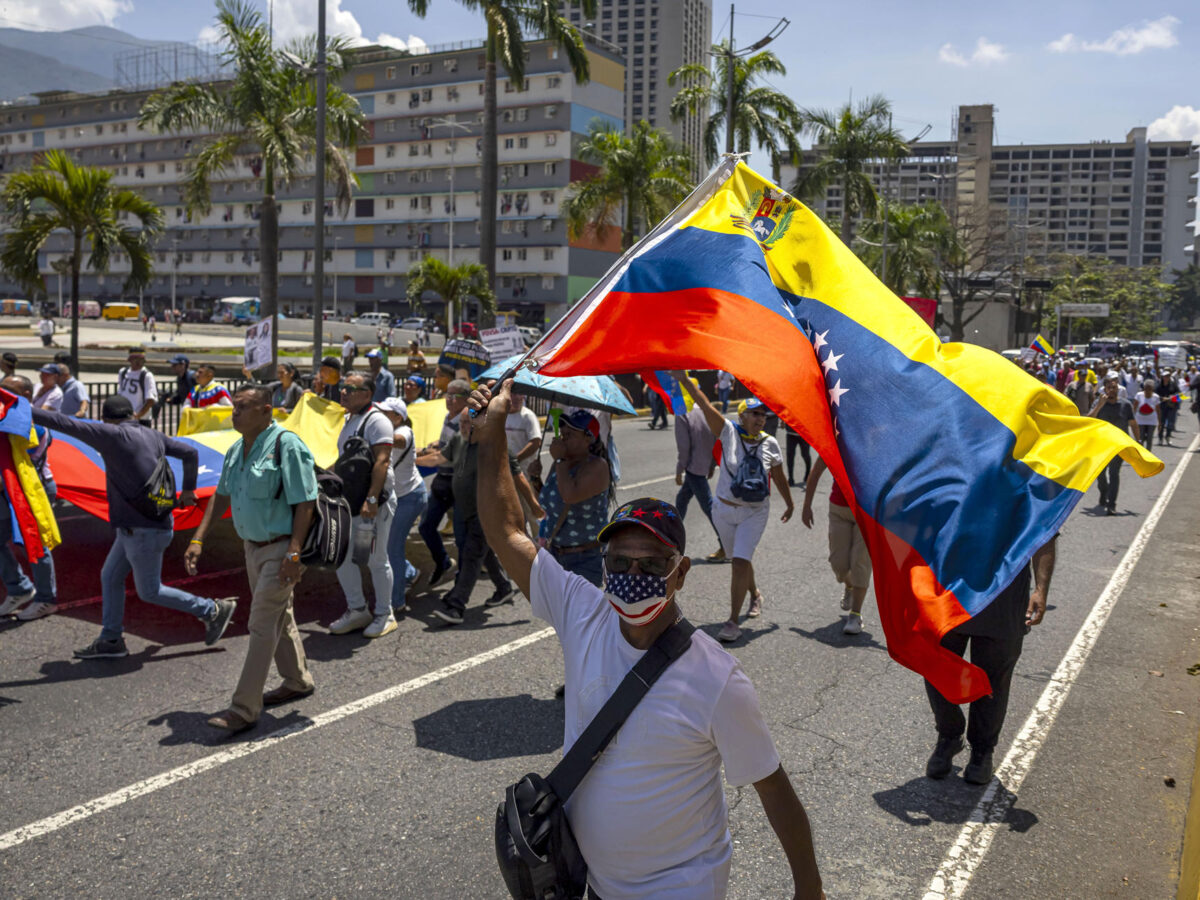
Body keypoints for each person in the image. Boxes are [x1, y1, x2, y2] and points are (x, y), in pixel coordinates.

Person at [469, 379, 825, 900]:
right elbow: (505, 530)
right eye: (619, 562)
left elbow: (772, 786)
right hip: (593, 884)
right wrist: (493, 430)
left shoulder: (718, 681)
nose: (632, 573)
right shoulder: (582, 610)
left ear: (679, 574)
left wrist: (809, 891)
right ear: (604, 565)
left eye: (651, 563)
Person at [32, 395, 237, 658]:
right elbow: (190, 452)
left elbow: (60, 422)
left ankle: (211, 609)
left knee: (150, 591)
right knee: (110, 576)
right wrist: (188, 489)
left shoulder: (112, 435)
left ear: (107, 419)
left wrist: (14, 404)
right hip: (141, 526)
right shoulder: (151, 435)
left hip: (143, 530)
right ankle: (111, 639)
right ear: (132, 414)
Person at [184, 385, 318, 734]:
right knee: (280, 616)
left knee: (260, 624)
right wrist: (198, 537)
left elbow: (306, 502)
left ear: (266, 410)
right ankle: (297, 680)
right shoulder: (235, 450)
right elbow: (220, 496)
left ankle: (243, 709)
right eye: (234, 407)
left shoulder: (286, 445)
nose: (235, 412)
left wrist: (294, 552)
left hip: (281, 549)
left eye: (243, 407)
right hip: (252, 548)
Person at [925, 537, 1057, 785]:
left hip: (1004, 598)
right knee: (935, 665)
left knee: (993, 679)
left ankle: (982, 752)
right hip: (950, 590)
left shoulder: (1030, 494)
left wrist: (1041, 589)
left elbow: (1045, 534)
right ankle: (949, 736)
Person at [677, 376, 792, 643]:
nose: (760, 419)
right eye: (755, 414)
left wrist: (790, 503)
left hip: (754, 512)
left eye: (763, 415)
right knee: (741, 558)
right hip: (724, 512)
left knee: (739, 562)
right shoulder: (728, 431)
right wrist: (684, 379)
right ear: (742, 416)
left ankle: (732, 621)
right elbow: (705, 406)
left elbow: (780, 476)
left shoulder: (770, 443)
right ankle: (755, 595)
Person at [419, 410, 520, 624]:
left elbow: (518, 477)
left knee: (472, 555)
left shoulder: (494, 446)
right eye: (462, 422)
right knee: (484, 552)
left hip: (487, 512)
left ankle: (456, 604)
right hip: (465, 511)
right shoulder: (459, 440)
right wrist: (411, 457)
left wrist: (534, 506)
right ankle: (503, 588)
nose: (463, 426)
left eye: (468, 423)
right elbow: (439, 458)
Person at [328, 372, 398, 638]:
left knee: (376, 560)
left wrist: (371, 499)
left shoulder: (377, 421)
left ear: (367, 395)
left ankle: (385, 614)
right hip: (352, 502)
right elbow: (347, 461)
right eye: (342, 387)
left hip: (372, 503)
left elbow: (381, 461)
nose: (342, 392)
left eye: (349, 388)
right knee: (347, 557)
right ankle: (357, 610)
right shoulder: (351, 420)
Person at [0, 375, 59, 621]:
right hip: (7, 489)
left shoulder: (35, 421)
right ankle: (19, 588)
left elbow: (27, 447)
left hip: (33, 489)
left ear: (25, 394)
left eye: (9, 392)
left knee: (34, 542)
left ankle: (46, 599)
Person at [536, 410, 612, 587]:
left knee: (580, 613)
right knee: (555, 612)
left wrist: (561, 461)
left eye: (569, 435)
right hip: (556, 554)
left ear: (588, 439)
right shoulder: (561, 463)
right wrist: (535, 478)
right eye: (562, 434)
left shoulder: (597, 466)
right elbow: (547, 500)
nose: (562, 440)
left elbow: (569, 496)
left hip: (584, 559)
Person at [801, 458, 872, 634]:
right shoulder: (834, 440)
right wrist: (807, 506)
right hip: (839, 509)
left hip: (866, 511)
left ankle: (855, 614)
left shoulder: (875, 443)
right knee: (838, 563)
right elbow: (815, 473)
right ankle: (849, 586)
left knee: (860, 563)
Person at [417, 379, 471, 586]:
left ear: (465, 399)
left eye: (454, 395)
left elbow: (448, 456)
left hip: (459, 484)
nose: (448, 399)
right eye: (447, 394)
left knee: (462, 535)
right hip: (442, 480)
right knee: (426, 526)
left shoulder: (466, 421)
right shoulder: (449, 417)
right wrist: (435, 445)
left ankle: (463, 584)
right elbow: (444, 445)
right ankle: (444, 561)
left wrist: (414, 458)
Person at [377, 396, 426, 612]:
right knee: (387, 544)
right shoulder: (386, 429)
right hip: (396, 498)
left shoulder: (405, 431)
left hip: (410, 497)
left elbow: (399, 441)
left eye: (386, 413)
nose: (380, 416)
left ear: (398, 417)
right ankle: (409, 573)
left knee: (391, 548)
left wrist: (376, 433)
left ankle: (396, 602)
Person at [674, 398, 725, 562]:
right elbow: (715, 438)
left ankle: (726, 545)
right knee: (681, 500)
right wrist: (711, 464)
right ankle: (671, 539)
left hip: (693, 467)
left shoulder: (682, 413)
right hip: (701, 465)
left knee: (709, 506)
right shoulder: (703, 410)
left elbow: (684, 448)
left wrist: (679, 470)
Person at [1088, 375, 1136, 515]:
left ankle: (1111, 504)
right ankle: (1104, 492)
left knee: (1114, 473)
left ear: (1118, 389)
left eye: (1114, 387)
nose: (1112, 390)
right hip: (1101, 446)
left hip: (1118, 446)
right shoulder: (1098, 402)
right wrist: (1099, 406)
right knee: (1100, 474)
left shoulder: (1126, 404)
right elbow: (1089, 419)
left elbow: (1133, 423)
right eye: (1109, 388)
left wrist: (1138, 442)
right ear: (1105, 389)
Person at [117, 349, 158, 425]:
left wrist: (138, 416)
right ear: (130, 360)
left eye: (141, 360)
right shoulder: (123, 372)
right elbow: (120, 394)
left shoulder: (147, 375)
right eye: (136, 359)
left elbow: (150, 400)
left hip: (141, 419)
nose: (139, 362)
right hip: (125, 418)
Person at [1155, 367, 1182, 446]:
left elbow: (1180, 394)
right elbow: (1155, 395)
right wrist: (1162, 398)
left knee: (1170, 423)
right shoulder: (1159, 386)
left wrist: (1172, 397)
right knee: (1161, 423)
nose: (1166, 378)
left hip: (1171, 407)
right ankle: (1160, 438)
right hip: (1162, 407)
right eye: (1165, 376)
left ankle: (1168, 437)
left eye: (1168, 376)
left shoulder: (1173, 385)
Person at [1132, 378, 1160, 452]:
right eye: (1146, 389)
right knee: (1140, 438)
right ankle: (1140, 454)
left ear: (1152, 389)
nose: (1148, 391)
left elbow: (1158, 410)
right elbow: (1134, 407)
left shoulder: (1156, 397)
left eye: (1150, 389)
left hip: (1152, 421)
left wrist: (1160, 422)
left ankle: (1148, 454)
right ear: (1144, 388)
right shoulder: (1139, 395)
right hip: (1140, 421)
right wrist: (1132, 419)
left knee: (1149, 438)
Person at [784, 421, 812, 489]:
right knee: (790, 455)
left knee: (805, 454)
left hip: (804, 433)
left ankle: (808, 472)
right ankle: (790, 478)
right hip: (790, 433)